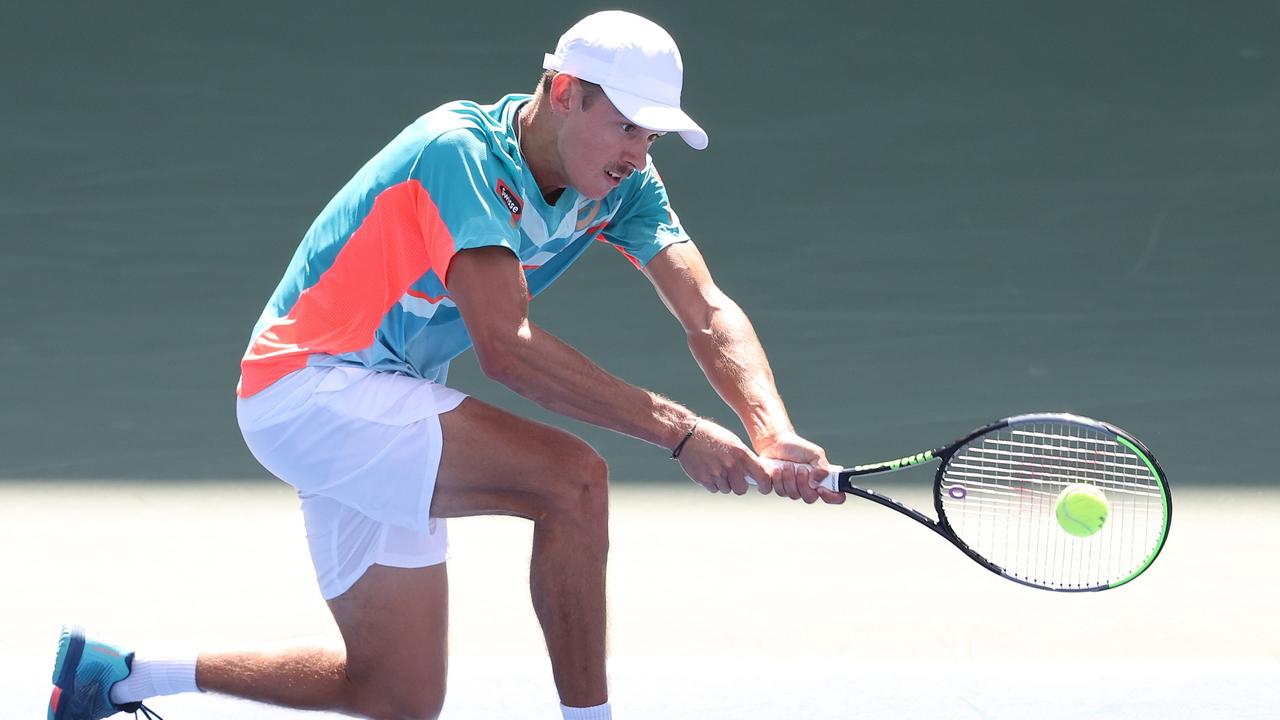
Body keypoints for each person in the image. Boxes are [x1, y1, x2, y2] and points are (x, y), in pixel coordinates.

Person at [48, 10, 844, 720]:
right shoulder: (460, 151)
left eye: (651, 137)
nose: (639, 154)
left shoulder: (621, 185)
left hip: (375, 402)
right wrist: (682, 431)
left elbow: (705, 307)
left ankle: (116, 677)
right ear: (565, 92)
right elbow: (506, 348)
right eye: (628, 127)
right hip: (309, 386)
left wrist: (770, 430)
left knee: (396, 694)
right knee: (574, 484)